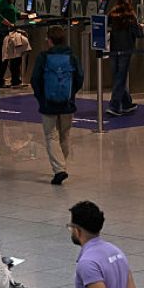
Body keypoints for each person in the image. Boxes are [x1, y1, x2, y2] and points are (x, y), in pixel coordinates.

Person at [31, 25, 86, 185]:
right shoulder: (72, 57)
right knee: (65, 135)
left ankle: (59, 169)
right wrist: (70, 93)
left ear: (49, 40)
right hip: (67, 103)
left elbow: (35, 79)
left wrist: (41, 97)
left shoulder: (43, 57)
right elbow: (79, 78)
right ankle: (62, 166)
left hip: (48, 103)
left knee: (50, 136)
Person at [107, 0, 144, 117]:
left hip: (113, 49)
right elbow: (138, 34)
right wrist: (141, 28)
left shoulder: (112, 14)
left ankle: (127, 103)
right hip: (126, 49)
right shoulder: (130, 16)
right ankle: (115, 105)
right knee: (121, 77)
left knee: (117, 76)